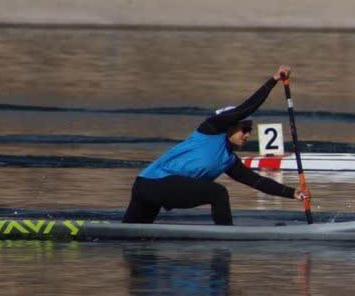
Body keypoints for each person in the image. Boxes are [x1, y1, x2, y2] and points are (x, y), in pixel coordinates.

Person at [123, 66, 309, 225]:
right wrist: (274, 80)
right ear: (228, 125)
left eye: (250, 129)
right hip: (151, 183)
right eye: (243, 128)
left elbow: (257, 182)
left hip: (155, 187)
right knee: (218, 193)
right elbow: (246, 108)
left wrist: (294, 193)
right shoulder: (212, 129)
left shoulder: (229, 160)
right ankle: (226, 237)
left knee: (134, 237)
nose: (247, 134)